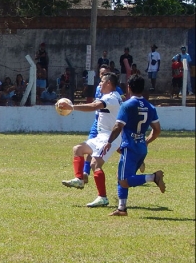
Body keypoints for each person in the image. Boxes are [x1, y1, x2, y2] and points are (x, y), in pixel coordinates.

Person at [102, 74, 164, 216]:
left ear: (128, 87)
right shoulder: (150, 107)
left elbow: (118, 126)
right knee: (121, 175)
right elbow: (157, 130)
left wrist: (109, 141)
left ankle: (153, 177)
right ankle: (121, 208)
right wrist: (146, 141)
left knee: (124, 180)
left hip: (129, 147)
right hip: (141, 147)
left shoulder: (127, 105)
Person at [60, 72, 122, 207]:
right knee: (78, 149)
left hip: (110, 137)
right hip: (101, 136)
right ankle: (79, 179)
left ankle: (103, 197)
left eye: (101, 81)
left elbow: (93, 106)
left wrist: (72, 107)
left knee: (95, 164)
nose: (99, 84)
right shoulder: (108, 96)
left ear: (108, 83)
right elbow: (94, 105)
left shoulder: (111, 98)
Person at [82, 65, 126, 185]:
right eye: (101, 74)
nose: (102, 77)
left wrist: (72, 107)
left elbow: (119, 102)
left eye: (104, 74)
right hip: (98, 122)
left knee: (115, 147)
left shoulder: (115, 92)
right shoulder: (98, 88)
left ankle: (131, 158)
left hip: (109, 123)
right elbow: (96, 103)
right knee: (90, 146)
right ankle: (85, 173)